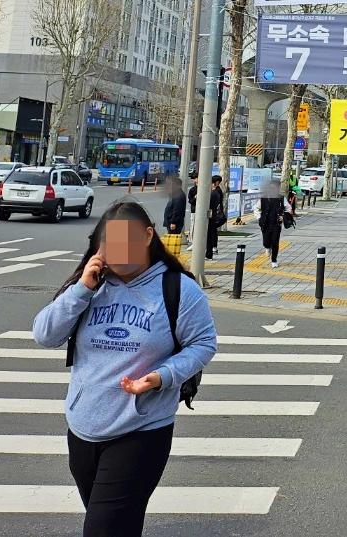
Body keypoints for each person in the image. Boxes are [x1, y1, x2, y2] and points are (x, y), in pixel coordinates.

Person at [33, 200, 217, 536]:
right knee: (117, 526)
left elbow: (203, 344)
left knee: (103, 529)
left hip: (140, 431)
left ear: (148, 236)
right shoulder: (91, 286)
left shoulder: (178, 290)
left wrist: (164, 376)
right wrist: (82, 289)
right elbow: (45, 335)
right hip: (83, 427)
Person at [256, 179, 292, 269]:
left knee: (275, 242)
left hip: (276, 224)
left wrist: (283, 216)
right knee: (266, 242)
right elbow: (256, 208)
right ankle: (267, 247)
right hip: (265, 223)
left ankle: (274, 260)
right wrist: (259, 218)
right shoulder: (263, 198)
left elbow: (288, 208)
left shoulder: (281, 198)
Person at [205, 175, 223, 260]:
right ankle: (209, 252)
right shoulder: (216, 192)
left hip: (211, 217)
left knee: (209, 235)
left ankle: (209, 253)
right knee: (211, 234)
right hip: (213, 217)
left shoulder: (213, 193)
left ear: (213, 184)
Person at [186, 176, 198, 250]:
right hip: (194, 210)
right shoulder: (193, 190)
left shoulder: (205, 188)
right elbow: (190, 201)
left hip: (203, 211)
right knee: (193, 226)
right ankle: (193, 242)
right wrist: (195, 198)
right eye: (195, 178)